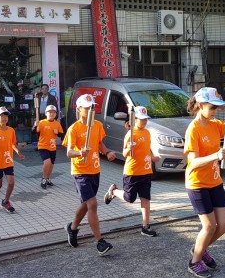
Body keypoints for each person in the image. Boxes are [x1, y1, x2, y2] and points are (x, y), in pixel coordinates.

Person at [184, 87, 225, 278]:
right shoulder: (193, 129)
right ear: (200, 105)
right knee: (210, 226)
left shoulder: (215, 123)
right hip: (197, 183)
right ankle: (194, 261)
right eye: (212, 107)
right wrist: (216, 156)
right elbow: (193, 162)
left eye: (216, 107)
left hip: (214, 181)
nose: (214, 111)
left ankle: (199, 248)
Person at [62, 94, 116, 255]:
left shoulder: (97, 125)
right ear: (79, 109)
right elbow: (69, 152)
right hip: (80, 171)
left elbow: (100, 143)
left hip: (95, 170)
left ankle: (72, 228)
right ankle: (100, 241)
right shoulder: (74, 129)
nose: (90, 109)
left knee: (86, 204)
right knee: (92, 204)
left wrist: (107, 153)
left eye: (92, 106)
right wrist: (80, 152)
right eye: (87, 107)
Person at [103, 106, 160, 237]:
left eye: (146, 119)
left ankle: (145, 226)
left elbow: (146, 149)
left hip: (146, 171)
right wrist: (129, 148)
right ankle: (114, 191)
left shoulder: (147, 132)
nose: (144, 121)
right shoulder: (130, 134)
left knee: (145, 198)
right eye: (141, 119)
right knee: (130, 199)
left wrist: (152, 157)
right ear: (134, 119)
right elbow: (124, 153)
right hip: (132, 172)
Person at [0, 106, 25, 213]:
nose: (4, 118)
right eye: (1, 116)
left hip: (8, 161)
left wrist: (19, 153)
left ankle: (6, 201)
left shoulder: (11, 130)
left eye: (6, 116)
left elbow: (12, 144)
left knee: (11, 182)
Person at [36, 104, 64, 188]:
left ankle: (48, 178)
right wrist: (35, 126)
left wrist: (57, 133)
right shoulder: (42, 122)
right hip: (43, 146)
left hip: (52, 147)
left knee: (51, 164)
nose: (51, 114)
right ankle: (43, 179)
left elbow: (62, 135)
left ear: (55, 114)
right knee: (47, 162)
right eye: (49, 112)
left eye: (53, 112)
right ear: (46, 113)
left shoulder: (57, 124)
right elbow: (34, 132)